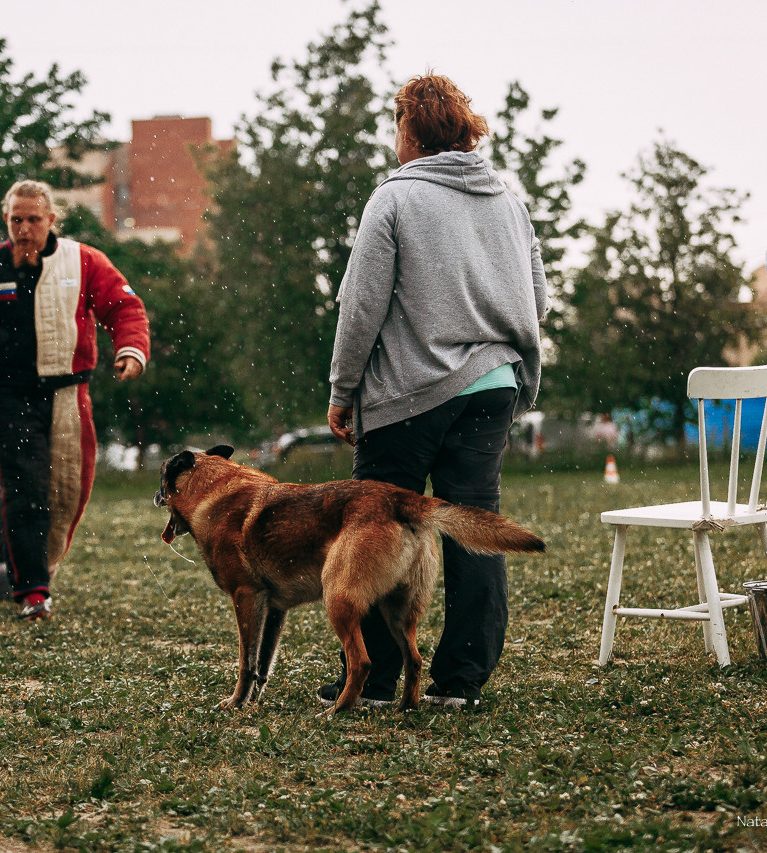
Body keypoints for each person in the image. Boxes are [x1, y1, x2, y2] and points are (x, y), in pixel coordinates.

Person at [323, 74, 547, 709]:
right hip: (494, 387)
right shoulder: (507, 201)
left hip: (408, 393)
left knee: (378, 526)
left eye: (397, 124)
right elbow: (538, 296)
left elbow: (360, 307)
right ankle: (463, 680)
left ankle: (375, 677)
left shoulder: (393, 198)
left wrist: (342, 388)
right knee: (473, 526)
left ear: (411, 130)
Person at [0, 180, 149, 620]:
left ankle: (41, 568)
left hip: (69, 393)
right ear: (6, 220)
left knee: (69, 491)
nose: (24, 229)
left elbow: (124, 307)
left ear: (51, 220)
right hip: (11, 396)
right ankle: (32, 591)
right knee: (25, 490)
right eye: (16, 220)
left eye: (34, 220)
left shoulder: (85, 261)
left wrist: (130, 349)